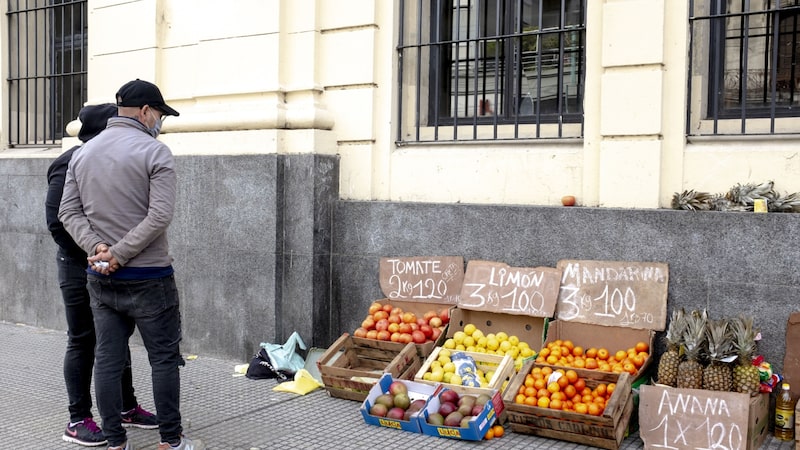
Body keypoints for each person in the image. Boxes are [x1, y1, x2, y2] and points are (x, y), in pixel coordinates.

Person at [59, 79, 203, 450]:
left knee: (107, 360)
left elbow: (67, 212)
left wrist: (98, 249)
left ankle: (115, 442)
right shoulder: (155, 151)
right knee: (164, 360)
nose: (160, 121)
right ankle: (171, 441)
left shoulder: (83, 153)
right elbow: (160, 216)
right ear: (144, 112)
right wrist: (120, 253)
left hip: (101, 277)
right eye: (159, 113)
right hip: (149, 277)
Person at [46, 103, 159, 447]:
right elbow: (57, 221)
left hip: (113, 265)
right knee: (83, 339)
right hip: (80, 266)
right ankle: (77, 418)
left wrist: (115, 256)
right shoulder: (70, 161)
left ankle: (125, 406)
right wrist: (96, 254)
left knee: (115, 338)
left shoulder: (114, 157)